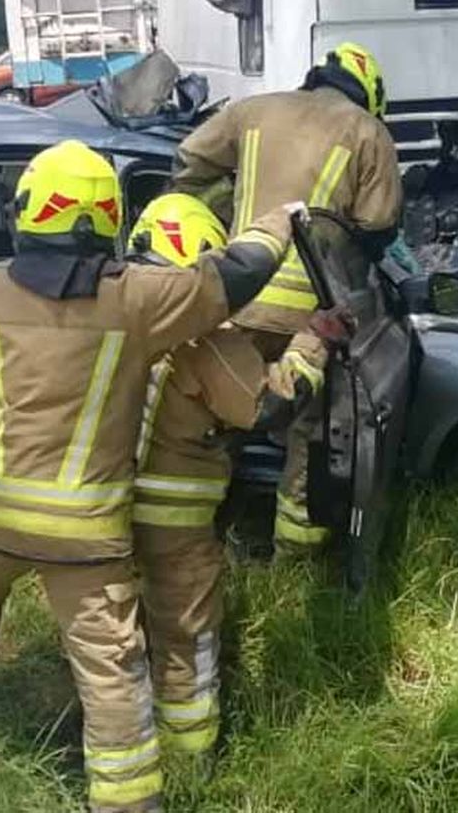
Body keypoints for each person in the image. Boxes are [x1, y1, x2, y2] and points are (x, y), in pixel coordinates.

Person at [0, 140, 300, 813]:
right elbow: (228, 281)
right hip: (83, 532)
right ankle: (126, 803)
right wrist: (282, 220)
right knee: (112, 676)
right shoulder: (135, 302)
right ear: (104, 219)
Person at [171, 42, 402, 550]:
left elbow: (186, 163)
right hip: (313, 312)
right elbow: (379, 225)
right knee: (307, 434)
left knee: (220, 422)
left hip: (238, 297)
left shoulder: (251, 111)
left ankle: (198, 537)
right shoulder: (368, 131)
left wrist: (220, 213)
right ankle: (294, 557)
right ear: (368, 94)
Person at [126, 193, 326, 761]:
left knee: (115, 633)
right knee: (186, 637)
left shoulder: (104, 313)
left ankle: (115, 730)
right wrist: (315, 340)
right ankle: (191, 757)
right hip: (176, 525)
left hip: (99, 513)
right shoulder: (205, 339)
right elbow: (269, 407)